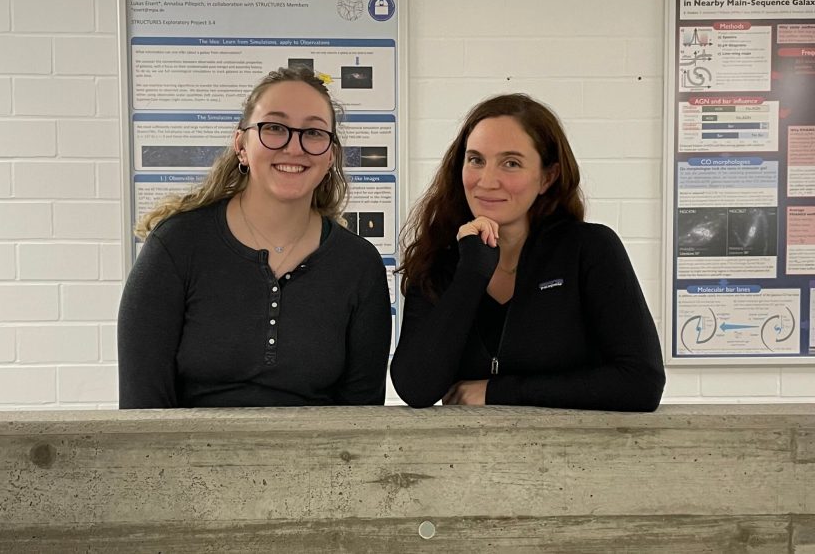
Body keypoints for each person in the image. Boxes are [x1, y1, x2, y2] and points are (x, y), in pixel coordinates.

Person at [118, 67, 391, 408]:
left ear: (330, 156)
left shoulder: (359, 265)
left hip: (318, 460)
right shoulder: (176, 245)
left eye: (314, 133)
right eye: (274, 128)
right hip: (185, 459)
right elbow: (141, 411)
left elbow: (362, 419)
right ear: (241, 145)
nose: (295, 147)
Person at [390, 93, 664, 411]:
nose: (487, 181)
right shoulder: (438, 260)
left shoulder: (590, 250)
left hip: (576, 457)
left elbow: (641, 382)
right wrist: (471, 273)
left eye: (511, 163)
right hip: (463, 460)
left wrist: (500, 392)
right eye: (476, 160)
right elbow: (415, 387)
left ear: (547, 177)